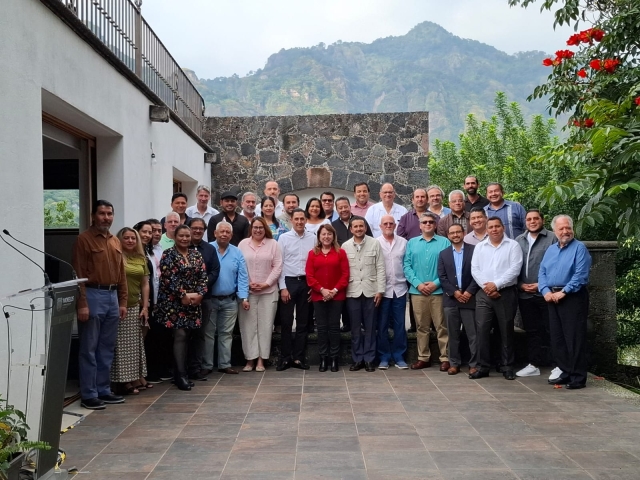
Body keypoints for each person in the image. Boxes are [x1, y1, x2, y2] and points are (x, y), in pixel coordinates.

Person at [72, 200, 127, 410]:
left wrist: (122, 301)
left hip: (112, 296)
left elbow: (121, 273)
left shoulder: (115, 241)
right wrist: (82, 303)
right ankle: (89, 394)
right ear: (93, 215)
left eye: (109, 213)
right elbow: (78, 274)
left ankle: (103, 389)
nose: (106, 217)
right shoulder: (83, 240)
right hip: (93, 294)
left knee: (107, 348)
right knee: (89, 348)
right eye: (102, 213)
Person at [539, 215, 592, 389]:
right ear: (555, 231)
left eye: (568, 228)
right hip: (552, 298)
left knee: (574, 338)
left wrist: (564, 292)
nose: (565, 231)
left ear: (572, 229)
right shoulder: (551, 250)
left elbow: (580, 275)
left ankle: (578, 377)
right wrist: (545, 291)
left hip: (572, 297)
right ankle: (566, 371)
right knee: (557, 338)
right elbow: (542, 272)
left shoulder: (579, 248)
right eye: (561, 228)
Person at [155, 225, 208, 391]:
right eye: (181, 236)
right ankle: (180, 374)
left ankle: (181, 373)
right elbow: (168, 278)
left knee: (189, 336)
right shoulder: (168, 254)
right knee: (180, 334)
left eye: (187, 236)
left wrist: (199, 294)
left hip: (194, 302)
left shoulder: (196, 254)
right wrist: (183, 295)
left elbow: (203, 277)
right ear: (175, 237)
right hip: (174, 303)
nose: (184, 239)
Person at [471, 217, 523, 380]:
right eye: (491, 227)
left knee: (506, 330)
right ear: (486, 230)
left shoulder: (513, 245)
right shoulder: (480, 247)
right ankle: (483, 366)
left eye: (497, 226)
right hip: (484, 294)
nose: (494, 229)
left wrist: (497, 285)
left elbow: (515, 269)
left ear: (503, 228)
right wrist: (487, 287)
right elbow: (475, 269)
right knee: (482, 330)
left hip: (505, 293)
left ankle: (507, 365)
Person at [403, 212, 452, 371]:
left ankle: (445, 358)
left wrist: (435, 284)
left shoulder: (444, 242)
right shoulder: (411, 243)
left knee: (441, 326)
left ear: (436, 224)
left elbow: (448, 266)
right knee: (421, 327)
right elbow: (407, 266)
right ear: (420, 225)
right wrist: (418, 284)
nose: (428, 224)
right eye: (424, 222)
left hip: (438, 292)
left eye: (431, 222)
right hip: (418, 292)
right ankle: (423, 357)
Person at [515, 210, 558, 378]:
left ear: (542, 220)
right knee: (532, 331)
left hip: (545, 293)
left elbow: (557, 265)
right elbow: (514, 266)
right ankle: (533, 364)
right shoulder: (519, 240)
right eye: (529, 219)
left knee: (551, 329)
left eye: (536, 219)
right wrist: (521, 286)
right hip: (525, 294)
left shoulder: (552, 238)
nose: (532, 221)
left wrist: (541, 285)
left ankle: (557, 364)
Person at [237, 217, 283, 372]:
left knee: (265, 326)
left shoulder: (273, 244)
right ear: (251, 228)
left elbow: (278, 266)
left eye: (261, 227)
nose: (258, 230)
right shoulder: (243, 244)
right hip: (247, 292)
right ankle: (249, 360)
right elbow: (240, 266)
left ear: (265, 229)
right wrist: (248, 283)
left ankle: (261, 360)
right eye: (255, 227)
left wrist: (266, 283)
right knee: (248, 327)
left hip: (268, 292)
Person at [204, 221, 250, 375]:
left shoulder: (237, 252)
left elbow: (243, 277)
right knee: (208, 333)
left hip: (230, 300)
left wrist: (243, 297)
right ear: (215, 233)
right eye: (221, 231)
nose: (224, 234)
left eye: (227, 232)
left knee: (226, 333)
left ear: (231, 235)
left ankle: (224, 364)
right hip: (210, 299)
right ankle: (207, 366)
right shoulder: (208, 249)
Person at [343, 216, 386, 372]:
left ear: (365, 228)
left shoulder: (374, 243)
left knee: (370, 327)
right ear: (351, 229)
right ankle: (357, 359)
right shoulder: (345, 246)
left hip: (371, 291)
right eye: (355, 227)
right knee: (355, 328)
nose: (359, 229)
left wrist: (380, 290)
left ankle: (369, 359)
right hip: (352, 292)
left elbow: (380, 267)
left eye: (361, 226)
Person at [306, 224, 349, 372]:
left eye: (329, 234)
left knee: (334, 327)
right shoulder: (313, 253)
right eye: (323, 234)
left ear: (333, 236)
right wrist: (322, 290)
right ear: (319, 236)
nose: (326, 237)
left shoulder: (340, 253)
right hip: (319, 296)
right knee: (322, 328)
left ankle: (334, 358)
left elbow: (345, 275)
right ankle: (323, 358)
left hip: (337, 296)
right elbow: (310, 276)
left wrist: (334, 290)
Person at [437, 224, 479, 375]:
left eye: (458, 232)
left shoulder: (474, 251)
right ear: (448, 235)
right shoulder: (444, 254)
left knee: (472, 334)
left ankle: (474, 364)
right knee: (452, 333)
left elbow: (478, 273)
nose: (455, 235)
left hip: (470, 299)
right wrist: (454, 292)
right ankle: (454, 363)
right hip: (451, 299)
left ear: (463, 233)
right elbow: (442, 277)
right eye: (452, 233)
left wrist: (469, 292)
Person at [112, 228, 149, 394]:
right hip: (120, 306)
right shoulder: (116, 257)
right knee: (120, 346)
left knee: (135, 345)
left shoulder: (141, 258)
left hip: (135, 305)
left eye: (133, 238)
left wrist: (146, 306)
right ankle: (122, 381)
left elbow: (145, 283)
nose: (130, 241)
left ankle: (134, 377)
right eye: (126, 238)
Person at [277, 209, 315, 371]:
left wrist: (313, 287)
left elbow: (315, 265)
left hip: (306, 283)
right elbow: (280, 264)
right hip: (289, 282)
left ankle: (299, 358)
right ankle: (285, 358)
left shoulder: (313, 239)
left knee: (303, 322)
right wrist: (283, 288)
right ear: (291, 220)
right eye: (296, 219)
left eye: (302, 219)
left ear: (306, 220)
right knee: (286, 322)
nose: (299, 221)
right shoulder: (284, 239)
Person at [187, 218, 220, 380]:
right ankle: (180, 369)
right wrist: (188, 292)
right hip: (183, 299)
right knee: (182, 335)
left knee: (200, 334)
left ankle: (195, 368)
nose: (198, 231)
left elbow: (214, 271)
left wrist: (200, 290)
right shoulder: (181, 247)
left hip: (204, 298)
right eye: (194, 228)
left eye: (201, 228)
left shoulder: (209, 249)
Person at [376, 215, 409, 369]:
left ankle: (399, 356)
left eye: (391, 223)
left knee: (399, 325)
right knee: (381, 325)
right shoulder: (375, 243)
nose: (388, 225)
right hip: (382, 290)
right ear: (380, 226)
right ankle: (383, 357)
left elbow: (407, 264)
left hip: (400, 289)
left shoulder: (403, 242)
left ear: (395, 225)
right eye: (385, 223)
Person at [142, 218, 173, 383]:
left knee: (160, 337)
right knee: (148, 338)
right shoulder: (143, 252)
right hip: (148, 301)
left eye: (158, 231)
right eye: (151, 230)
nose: (155, 233)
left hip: (161, 301)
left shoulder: (159, 249)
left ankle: (158, 368)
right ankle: (148, 372)